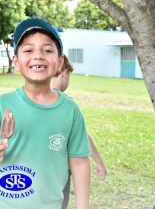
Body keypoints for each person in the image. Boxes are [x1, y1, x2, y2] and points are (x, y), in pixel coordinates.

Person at [0, 17, 92, 209]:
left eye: (47, 50)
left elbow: (79, 162)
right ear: (16, 61)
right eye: (28, 50)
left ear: (60, 62)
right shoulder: (3, 103)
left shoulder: (70, 110)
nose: (38, 56)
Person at [51, 55, 107, 209]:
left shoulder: (35, 100)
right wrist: (99, 162)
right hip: (60, 174)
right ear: (64, 72)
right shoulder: (67, 105)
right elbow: (83, 136)